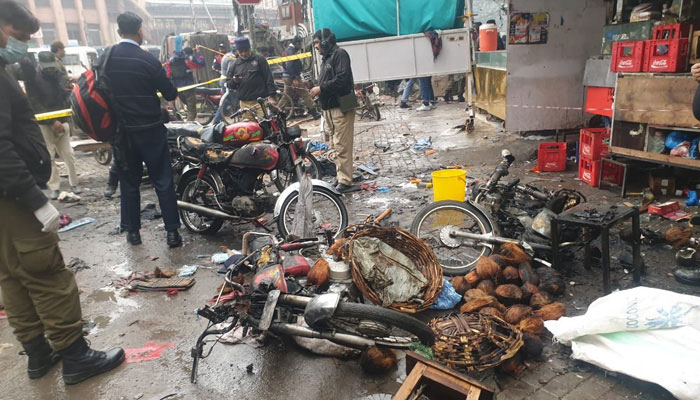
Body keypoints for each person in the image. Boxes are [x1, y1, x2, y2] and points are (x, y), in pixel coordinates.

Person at [0, 0, 124, 385]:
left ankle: (39, 355)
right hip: (13, 196)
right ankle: (75, 356)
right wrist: (37, 201)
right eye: (18, 36)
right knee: (45, 272)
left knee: (12, 275)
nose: (21, 45)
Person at [104, 11, 182, 248]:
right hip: (150, 130)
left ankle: (133, 234)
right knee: (163, 181)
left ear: (118, 32)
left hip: (123, 133)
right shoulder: (147, 60)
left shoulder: (107, 58)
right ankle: (172, 235)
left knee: (129, 183)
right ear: (139, 31)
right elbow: (170, 93)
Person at [21, 51, 80, 199]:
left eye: (52, 67)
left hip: (63, 120)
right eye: (47, 67)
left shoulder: (60, 75)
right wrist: (52, 121)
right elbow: (34, 102)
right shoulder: (32, 79)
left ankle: (74, 183)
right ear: (40, 65)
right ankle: (54, 186)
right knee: (49, 156)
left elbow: (65, 97)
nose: (50, 70)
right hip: (44, 123)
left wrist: (69, 92)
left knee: (68, 154)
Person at [310, 28, 358, 193]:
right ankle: (341, 177)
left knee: (342, 145)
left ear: (325, 41)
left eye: (317, 42)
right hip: (330, 108)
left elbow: (342, 80)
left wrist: (321, 89)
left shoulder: (339, 54)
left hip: (341, 107)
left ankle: (345, 181)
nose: (316, 46)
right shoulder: (327, 58)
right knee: (334, 145)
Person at [227, 37, 276, 119]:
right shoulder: (234, 65)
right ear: (237, 51)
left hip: (261, 102)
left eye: (246, 50)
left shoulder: (259, 60)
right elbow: (229, 84)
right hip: (244, 104)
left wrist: (272, 96)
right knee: (250, 130)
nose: (243, 54)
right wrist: (234, 81)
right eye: (241, 51)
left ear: (249, 49)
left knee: (265, 126)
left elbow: (269, 78)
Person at [279, 36, 321, 119]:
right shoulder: (291, 51)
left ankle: (276, 112)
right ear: (297, 43)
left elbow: (284, 64)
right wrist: (294, 78)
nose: (301, 46)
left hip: (288, 76)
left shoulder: (289, 50)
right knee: (304, 93)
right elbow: (289, 65)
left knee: (287, 96)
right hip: (292, 77)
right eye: (300, 44)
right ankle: (314, 113)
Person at [167, 46, 205, 121]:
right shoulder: (187, 59)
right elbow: (201, 63)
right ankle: (189, 127)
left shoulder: (170, 61)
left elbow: (168, 74)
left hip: (177, 88)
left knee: (186, 106)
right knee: (192, 110)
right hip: (188, 87)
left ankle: (185, 120)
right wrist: (199, 52)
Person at [213, 43, 239, 124]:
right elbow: (230, 71)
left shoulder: (227, 55)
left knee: (228, 100)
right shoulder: (232, 58)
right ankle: (217, 120)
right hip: (226, 81)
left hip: (223, 79)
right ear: (236, 51)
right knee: (229, 101)